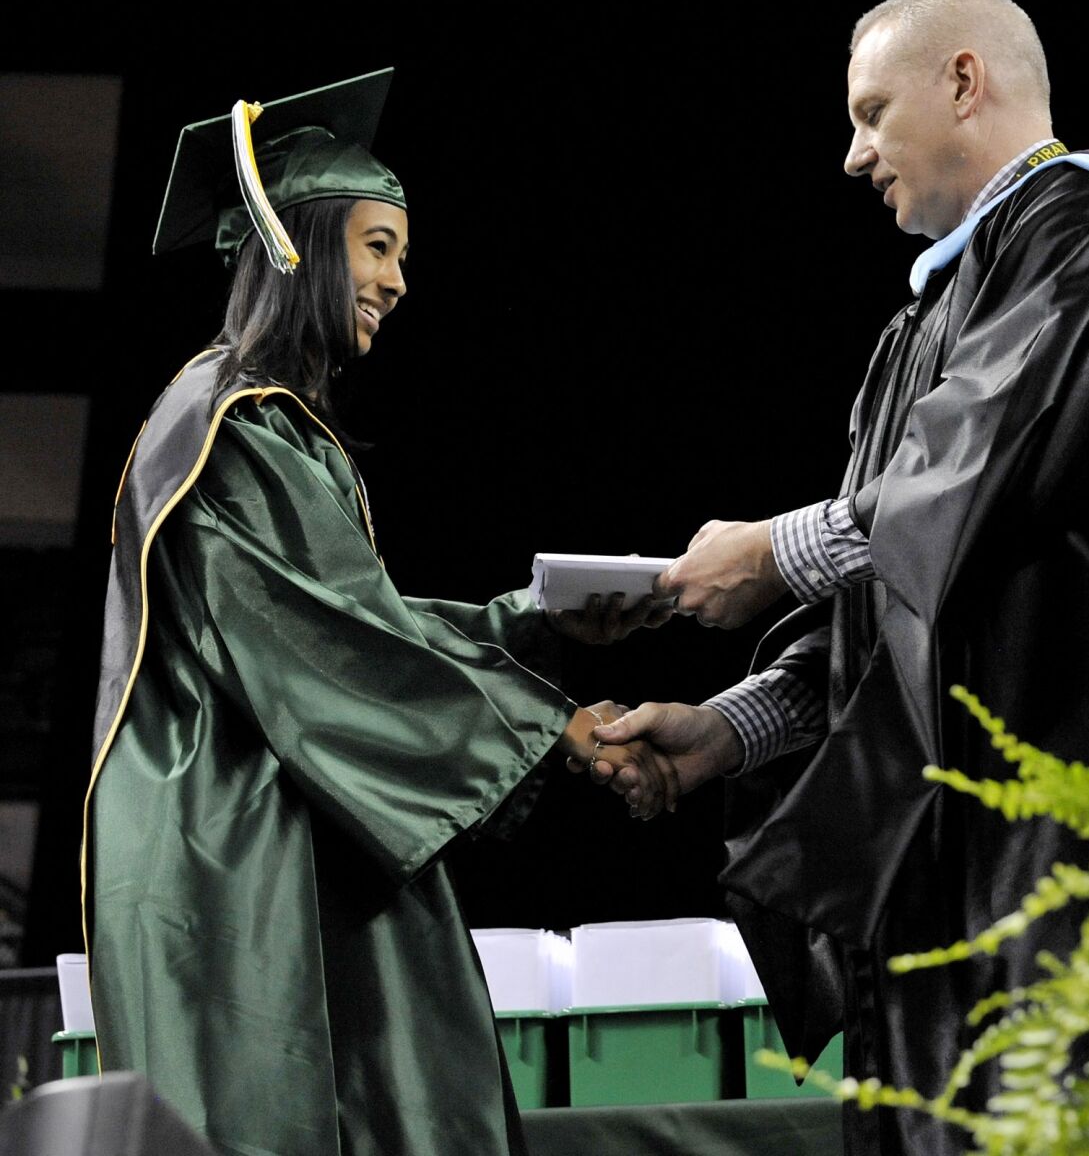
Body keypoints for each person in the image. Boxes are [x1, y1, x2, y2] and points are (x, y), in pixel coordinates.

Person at [595, 0, 1089, 1155]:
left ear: (964, 82)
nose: (853, 154)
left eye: (873, 113)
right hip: (955, 857)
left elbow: (973, 476)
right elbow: (896, 591)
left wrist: (773, 550)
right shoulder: (918, 326)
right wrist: (729, 727)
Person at [82, 70, 672, 1156]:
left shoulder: (267, 427)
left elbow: (356, 619)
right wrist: (554, 726)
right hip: (240, 857)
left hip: (295, 824)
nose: (400, 279)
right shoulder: (227, 429)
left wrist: (532, 621)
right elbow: (331, 646)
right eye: (378, 245)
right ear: (299, 243)